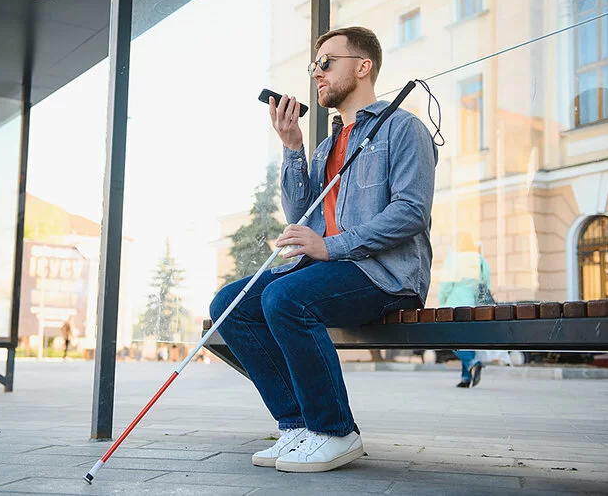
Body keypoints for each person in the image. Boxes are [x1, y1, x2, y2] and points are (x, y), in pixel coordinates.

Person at [209, 26, 437, 473]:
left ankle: (335, 431)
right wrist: (292, 148)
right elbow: (302, 214)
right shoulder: (328, 144)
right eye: (314, 65)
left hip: (384, 274)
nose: (317, 73)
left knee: (284, 298)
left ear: (363, 66)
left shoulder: (402, 128)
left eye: (327, 62)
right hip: (330, 270)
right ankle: (297, 426)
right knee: (230, 304)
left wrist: (332, 247)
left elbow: (411, 211)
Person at [438, 233, 492, 388]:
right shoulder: (481, 261)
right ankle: (466, 378)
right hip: (473, 309)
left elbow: (445, 286)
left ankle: (473, 363)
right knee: (466, 342)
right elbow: (487, 286)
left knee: (450, 340)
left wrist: (442, 304)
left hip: (454, 307)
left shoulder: (454, 260)